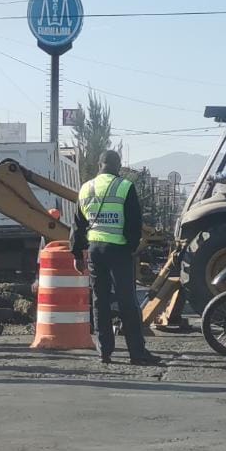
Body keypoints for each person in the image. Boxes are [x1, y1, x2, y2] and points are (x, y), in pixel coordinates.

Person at [70, 149, 161, 365]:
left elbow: (77, 226)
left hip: (95, 251)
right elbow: (134, 223)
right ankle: (137, 353)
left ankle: (104, 351)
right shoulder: (124, 186)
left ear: (99, 165)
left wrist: (77, 254)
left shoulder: (86, 188)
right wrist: (131, 248)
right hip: (118, 251)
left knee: (99, 300)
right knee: (127, 301)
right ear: (117, 166)